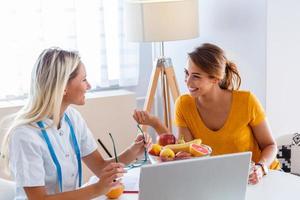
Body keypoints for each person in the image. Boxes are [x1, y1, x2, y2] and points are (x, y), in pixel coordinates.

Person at [0, 48, 151, 200]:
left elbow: (100, 168)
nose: (89, 86)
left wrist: (133, 151)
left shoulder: (72, 118)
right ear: (63, 87)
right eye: (84, 79)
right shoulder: (25, 135)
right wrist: (97, 189)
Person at [133, 43, 280, 185]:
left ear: (215, 79)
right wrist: (156, 123)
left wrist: (261, 168)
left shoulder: (247, 101)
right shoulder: (183, 104)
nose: (187, 81)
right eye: (186, 73)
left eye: (196, 76)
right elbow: (184, 150)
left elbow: (270, 145)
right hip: (220, 181)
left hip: (262, 178)